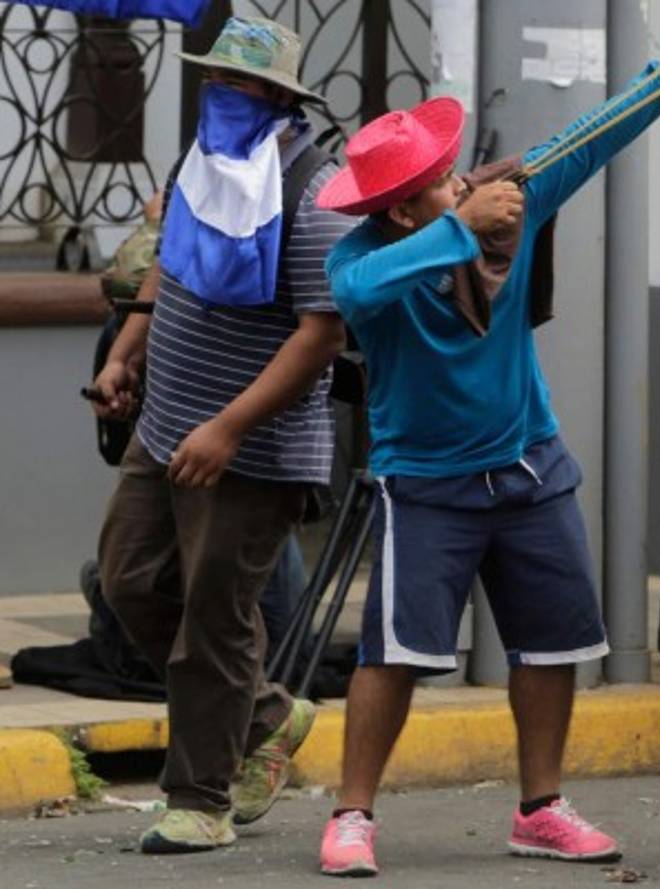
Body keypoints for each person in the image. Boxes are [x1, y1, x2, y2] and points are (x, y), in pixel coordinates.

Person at [311, 15, 660, 879]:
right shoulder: (363, 259)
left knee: (552, 644)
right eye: (440, 180)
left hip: (529, 466)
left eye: (452, 169)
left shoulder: (503, 207)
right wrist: (458, 228)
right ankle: (353, 814)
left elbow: (591, 136)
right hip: (425, 482)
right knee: (394, 653)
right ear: (402, 208)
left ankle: (540, 808)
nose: (461, 178)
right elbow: (361, 291)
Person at [90, 16, 356, 854]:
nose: (218, 95)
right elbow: (171, 256)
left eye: (235, 85)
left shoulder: (316, 193)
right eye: (211, 80)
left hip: (251, 447)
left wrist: (229, 427)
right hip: (167, 419)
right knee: (128, 579)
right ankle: (271, 714)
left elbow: (321, 333)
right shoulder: (203, 162)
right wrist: (127, 358)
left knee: (216, 614)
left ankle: (201, 798)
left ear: (277, 96)